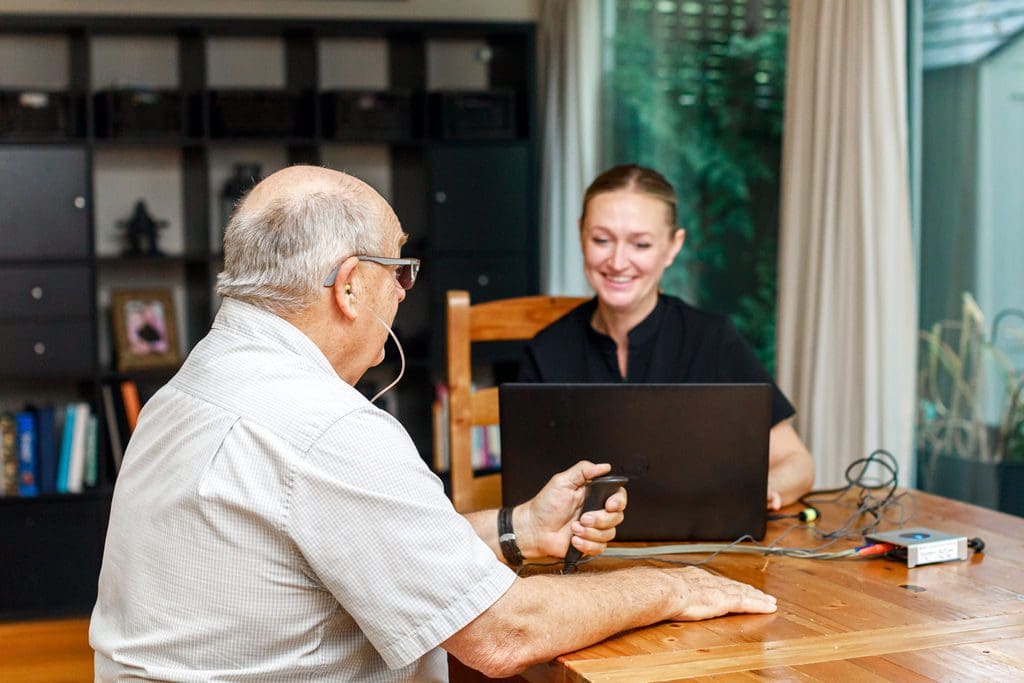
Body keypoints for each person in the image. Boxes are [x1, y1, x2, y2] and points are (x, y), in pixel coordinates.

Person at [90, 165, 777, 682]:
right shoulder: (327, 430)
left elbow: (369, 541)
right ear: (350, 285)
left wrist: (519, 529)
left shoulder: (191, 385)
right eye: (399, 270)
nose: (401, 292)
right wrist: (673, 585)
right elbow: (503, 634)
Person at [519, 164, 814, 510]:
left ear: (674, 246)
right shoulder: (545, 351)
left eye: (641, 244)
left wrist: (762, 491)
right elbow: (527, 490)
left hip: (700, 537)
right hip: (578, 541)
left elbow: (797, 463)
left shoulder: (713, 340)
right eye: (601, 240)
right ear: (581, 235)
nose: (618, 262)